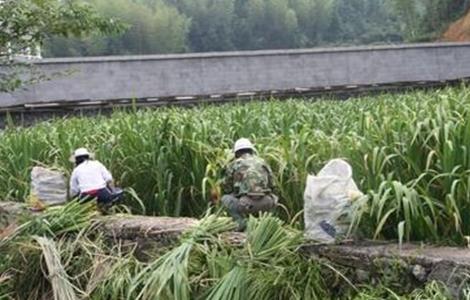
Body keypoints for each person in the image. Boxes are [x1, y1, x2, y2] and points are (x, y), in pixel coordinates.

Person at [221, 138, 278, 230]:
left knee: (225, 199)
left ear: (236, 153)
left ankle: (241, 223)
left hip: (246, 205)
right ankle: (267, 224)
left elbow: (227, 188)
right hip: (267, 203)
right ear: (251, 150)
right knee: (274, 197)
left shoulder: (234, 164)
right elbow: (273, 185)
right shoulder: (263, 162)